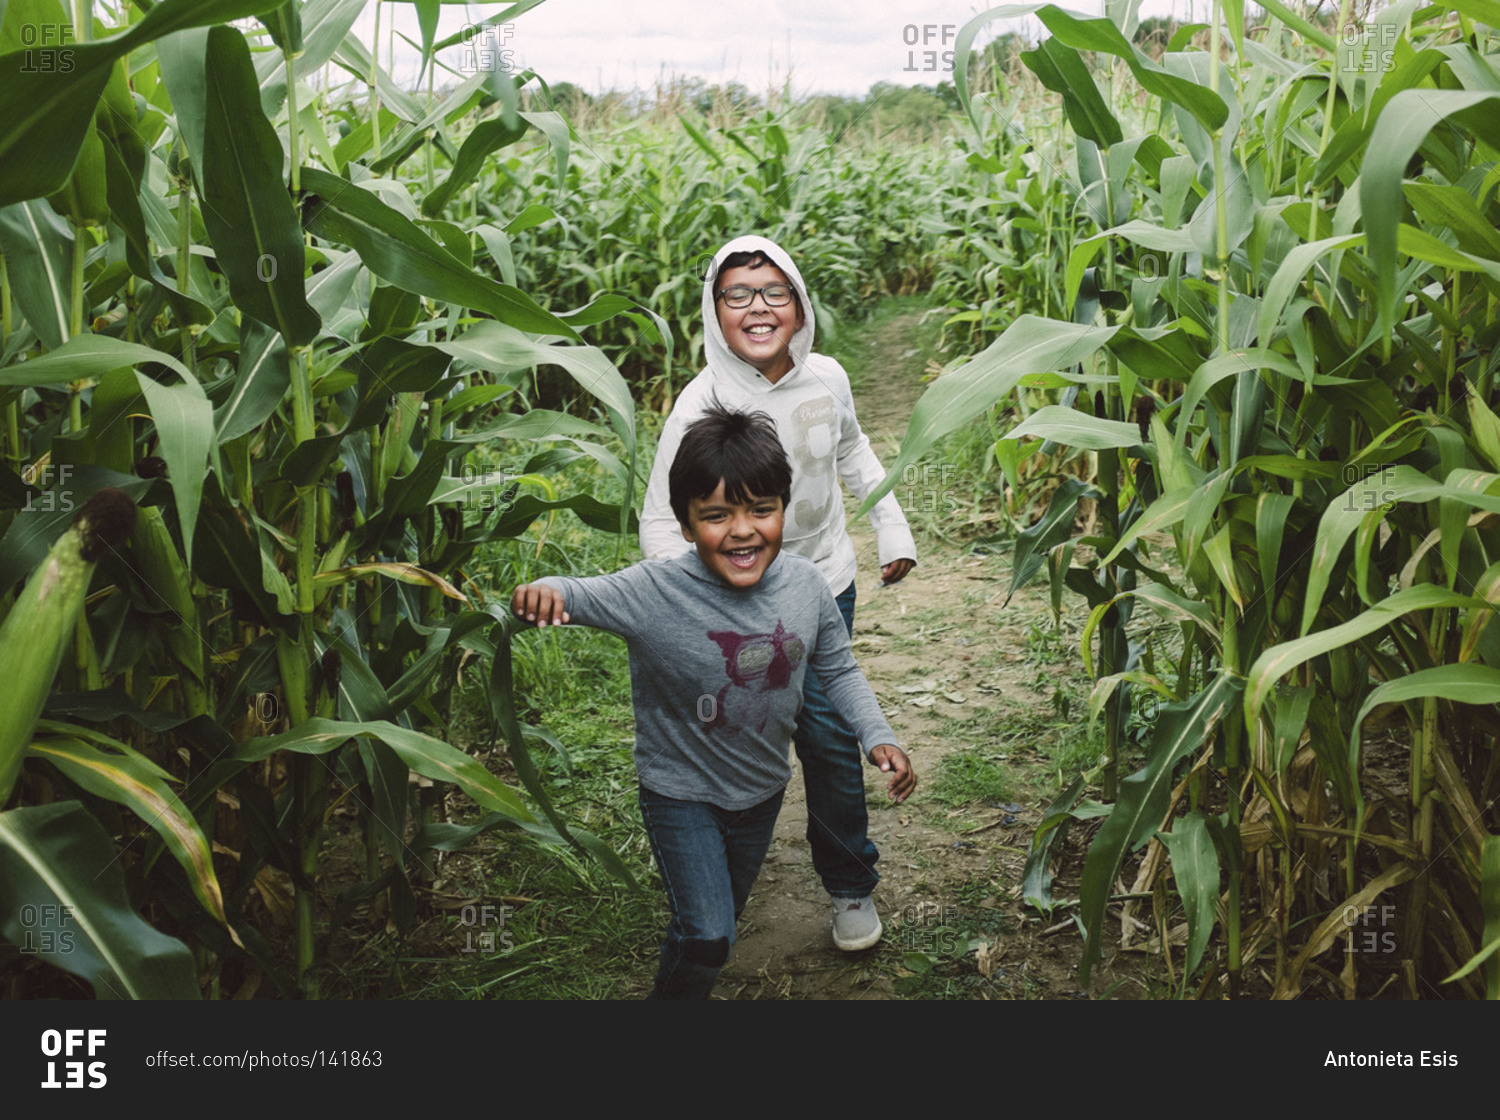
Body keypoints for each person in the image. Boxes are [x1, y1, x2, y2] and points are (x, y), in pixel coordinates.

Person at [513, 405, 915, 999]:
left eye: (761, 509)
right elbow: (577, 593)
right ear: (684, 523)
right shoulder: (653, 591)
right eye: (716, 516)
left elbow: (837, 668)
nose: (743, 530)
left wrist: (878, 735)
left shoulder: (807, 587)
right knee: (708, 935)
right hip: (680, 793)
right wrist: (543, 592)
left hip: (761, 790)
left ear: (783, 507)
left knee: (712, 929)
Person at [638, 234, 917, 951]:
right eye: (737, 295)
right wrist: (695, 607)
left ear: (798, 305)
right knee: (734, 734)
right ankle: (713, 883)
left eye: (774, 292)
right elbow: (661, 524)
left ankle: (851, 885)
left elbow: (854, 450)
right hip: (730, 606)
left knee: (827, 738)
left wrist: (891, 527)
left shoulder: (828, 377)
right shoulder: (701, 402)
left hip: (821, 585)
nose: (757, 307)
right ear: (715, 309)